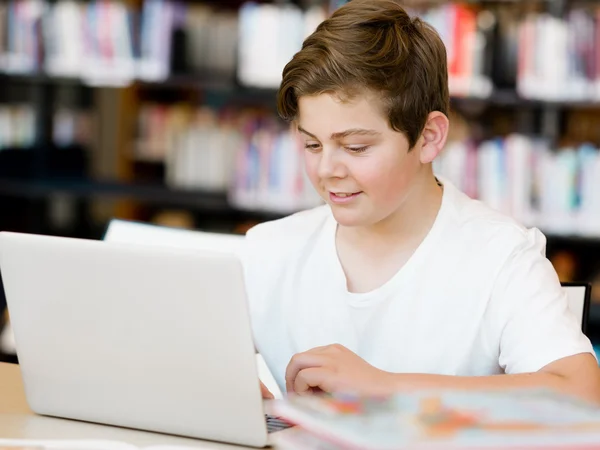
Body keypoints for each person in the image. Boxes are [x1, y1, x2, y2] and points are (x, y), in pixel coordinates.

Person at [243, 0, 600, 402]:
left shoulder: (500, 256)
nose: (327, 169)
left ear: (429, 137)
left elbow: (581, 393)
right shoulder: (267, 250)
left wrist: (386, 387)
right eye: (311, 144)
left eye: (356, 147)